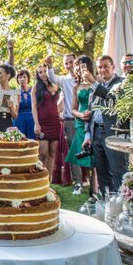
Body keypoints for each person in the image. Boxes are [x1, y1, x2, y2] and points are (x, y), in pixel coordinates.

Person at [83, 55, 127, 196]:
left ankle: (121, 203)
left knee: (117, 171)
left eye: (106, 66)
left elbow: (113, 100)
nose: (102, 70)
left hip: (114, 134)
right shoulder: (98, 85)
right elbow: (91, 110)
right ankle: (106, 203)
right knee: (101, 172)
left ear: (113, 67)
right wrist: (87, 134)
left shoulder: (122, 83)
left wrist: (94, 84)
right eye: (100, 67)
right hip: (96, 134)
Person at [44, 54, 82, 191]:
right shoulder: (65, 81)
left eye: (71, 62)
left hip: (86, 120)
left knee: (89, 152)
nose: (69, 65)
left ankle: (92, 182)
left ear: (76, 63)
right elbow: (53, 78)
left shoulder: (85, 78)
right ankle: (78, 183)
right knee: (74, 152)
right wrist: (50, 67)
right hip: (70, 121)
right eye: (66, 63)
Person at [65, 56, 95, 195]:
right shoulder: (76, 86)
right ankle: (78, 183)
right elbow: (73, 109)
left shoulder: (97, 82)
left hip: (95, 121)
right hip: (80, 122)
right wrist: (81, 115)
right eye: (78, 66)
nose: (80, 68)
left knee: (93, 154)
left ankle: (94, 185)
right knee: (78, 153)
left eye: (83, 65)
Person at [31, 64, 62, 179]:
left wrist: (59, 111)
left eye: (45, 71)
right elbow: (33, 107)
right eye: (40, 72)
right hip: (43, 124)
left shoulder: (54, 85)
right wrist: (36, 123)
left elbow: (62, 96)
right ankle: (40, 179)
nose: (43, 74)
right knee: (43, 153)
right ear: (37, 75)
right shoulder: (36, 87)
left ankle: (48, 181)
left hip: (55, 123)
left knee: (52, 153)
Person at [14, 69, 35, 139]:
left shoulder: (33, 91)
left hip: (31, 121)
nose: (22, 79)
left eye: (24, 77)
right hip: (19, 121)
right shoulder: (15, 92)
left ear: (28, 79)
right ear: (17, 80)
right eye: (20, 77)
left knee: (31, 142)